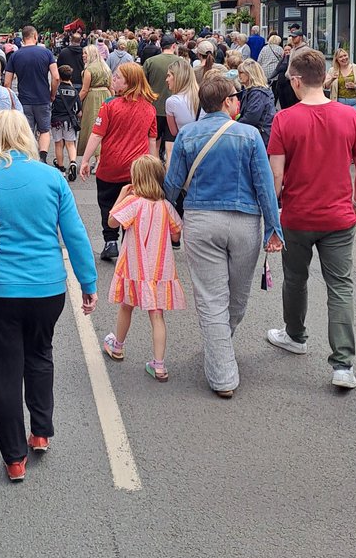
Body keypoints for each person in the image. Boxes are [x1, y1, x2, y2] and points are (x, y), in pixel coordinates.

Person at [0, 110, 96, 481]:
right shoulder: (51, 177)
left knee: (3, 371)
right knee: (40, 354)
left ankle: (14, 456)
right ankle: (41, 430)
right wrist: (88, 282)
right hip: (46, 287)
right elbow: (74, 234)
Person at [164, 76, 283, 397]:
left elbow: (172, 184)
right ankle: (222, 365)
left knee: (211, 298)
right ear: (227, 102)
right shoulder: (250, 136)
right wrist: (274, 227)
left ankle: (221, 366)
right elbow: (265, 184)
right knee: (237, 298)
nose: (240, 101)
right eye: (236, 97)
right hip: (246, 223)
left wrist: (160, 208)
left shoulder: (188, 135)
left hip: (201, 221)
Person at [266, 48, 356, 390]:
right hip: (339, 215)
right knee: (340, 286)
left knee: (295, 279)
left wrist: (274, 215)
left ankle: (295, 335)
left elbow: (276, 178)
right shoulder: (350, 117)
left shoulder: (284, 120)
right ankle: (343, 364)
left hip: (297, 215)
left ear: (297, 81)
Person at [101, 154, 185, 380]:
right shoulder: (166, 206)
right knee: (157, 315)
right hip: (160, 269)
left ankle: (117, 346)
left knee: (126, 307)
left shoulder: (133, 202)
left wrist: (120, 196)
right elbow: (176, 234)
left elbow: (112, 222)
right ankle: (159, 365)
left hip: (134, 267)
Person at [79, 63, 158, 261]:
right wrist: (154, 168)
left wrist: (85, 160)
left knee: (107, 203)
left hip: (111, 166)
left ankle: (110, 240)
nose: (113, 80)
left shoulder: (109, 105)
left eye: (117, 78)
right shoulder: (149, 109)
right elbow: (151, 142)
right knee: (132, 204)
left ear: (129, 82)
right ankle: (128, 243)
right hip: (136, 169)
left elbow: (97, 135)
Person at [3, 25, 59, 164]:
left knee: (27, 131)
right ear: (35, 36)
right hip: (42, 98)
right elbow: (56, 77)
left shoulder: (15, 56)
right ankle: (43, 157)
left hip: (24, 100)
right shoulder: (46, 53)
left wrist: (11, 100)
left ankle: (29, 158)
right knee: (44, 130)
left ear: (23, 37)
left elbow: (7, 82)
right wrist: (52, 94)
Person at [142, 32, 178, 150]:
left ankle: (154, 166)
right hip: (175, 108)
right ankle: (168, 166)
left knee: (154, 143)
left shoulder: (150, 62)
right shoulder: (181, 62)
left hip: (153, 107)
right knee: (170, 145)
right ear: (173, 46)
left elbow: (143, 85)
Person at [77, 43, 112, 160]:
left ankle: (98, 159)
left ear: (91, 54)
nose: (83, 55)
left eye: (85, 53)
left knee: (94, 126)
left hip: (93, 98)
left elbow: (84, 90)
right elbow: (111, 87)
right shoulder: (105, 67)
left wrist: (75, 102)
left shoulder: (89, 69)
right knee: (105, 127)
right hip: (106, 96)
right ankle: (102, 157)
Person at [163, 57, 199, 162]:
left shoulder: (172, 102)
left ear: (178, 77)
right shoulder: (202, 96)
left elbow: (174, 132)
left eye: (169, 75)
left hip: (185, 149)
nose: (167, 79)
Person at [50, 64, 81, 179]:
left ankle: (61, 168)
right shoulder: (74, 92)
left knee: (58, 144)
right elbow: (78, 109)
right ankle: (72, 162)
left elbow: (51, 104)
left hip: (56, 121)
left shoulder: (56, 91)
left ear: (60, 76)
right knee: (70, 144)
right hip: (69, 121)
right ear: (70, 77)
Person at [237, 59, 275, 147]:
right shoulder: (252, 91)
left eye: (241, 72)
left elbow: (251, 118)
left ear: (250, 74)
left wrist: (233, 125)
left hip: (262, 136)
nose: (239, 75)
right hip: (259, 134)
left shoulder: (257, 93)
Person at [324, 47, 356, 116]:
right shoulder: (332, 70)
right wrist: (332, 79)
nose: (344, 58)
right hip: (339, 102)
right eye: (340, 57)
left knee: (354, 123)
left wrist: (355, 86)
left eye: (345, 55)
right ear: (337, 59)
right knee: (341, 124)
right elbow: (325, 86)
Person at [271, 29, 308, 109]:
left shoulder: (305, 50)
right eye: (292, 37)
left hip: (298, 81)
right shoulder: (293, 50)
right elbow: (280, 67)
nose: (293, 38)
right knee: (285, 105)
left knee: (294, 105)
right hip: (288, 80)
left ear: (300, 37)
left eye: (295, 37)